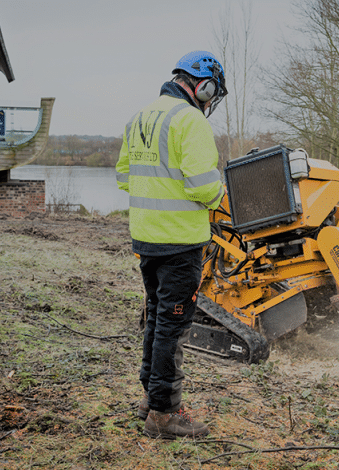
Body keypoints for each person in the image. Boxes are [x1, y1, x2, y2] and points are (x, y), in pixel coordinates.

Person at [115, 50, 227, 439]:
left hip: (146, 239)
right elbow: (203, 186)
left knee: (156, 319)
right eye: (212, 93)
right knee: (171, 328)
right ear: (203, 85)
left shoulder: (140, 117)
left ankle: (149, 398)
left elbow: (124, 176)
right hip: (179, 242)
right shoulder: (189, 121)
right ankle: (163, 414)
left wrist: (158, 190)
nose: (210, 101)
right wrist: (218, 195)